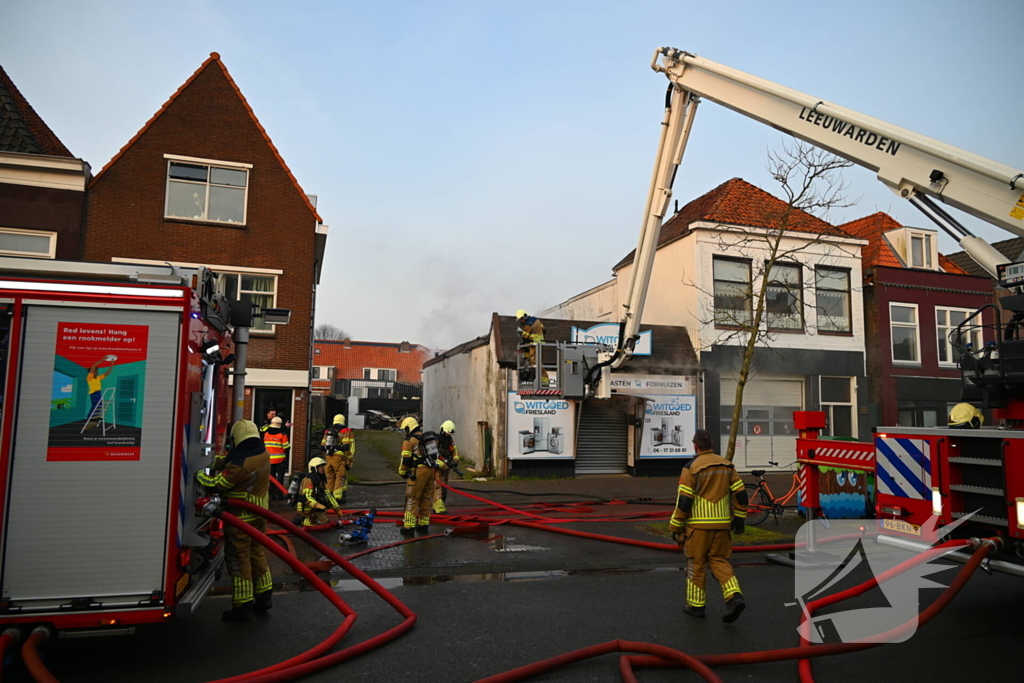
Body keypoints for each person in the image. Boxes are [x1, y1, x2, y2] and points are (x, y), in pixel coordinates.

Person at [196, 419, 272, 621]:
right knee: (256, 554)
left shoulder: (241, 464)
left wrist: (197, 474)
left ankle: (242, 605)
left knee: (239, 560)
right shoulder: (261, 453)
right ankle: (264, 596)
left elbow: (218, 483)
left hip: (240, 519)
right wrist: (212, 460)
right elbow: (231, 460)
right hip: (259, 515)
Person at [668, 429, 748, 623]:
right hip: (722, 526)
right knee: (719, 561)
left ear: (695, 446)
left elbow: (685, 501)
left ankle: (696, 606)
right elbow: (742, 495)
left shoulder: (691, 467)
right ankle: (734, 597)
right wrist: (739, 518)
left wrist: (675, 526)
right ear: (711, 444)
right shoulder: (727, 466)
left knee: (696, 563)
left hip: (698, 527)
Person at [397, 417, 437, 535]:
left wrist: (403, 472)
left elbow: (406, 459)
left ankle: (409, 526)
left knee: (412, 497)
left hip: (417, 471)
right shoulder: (425, 438)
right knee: (425, 497)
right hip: (430, 470)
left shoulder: (409, 441)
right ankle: (423, 524)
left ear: (409, 427)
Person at [296, 456, 343, 527]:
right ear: (314, 468)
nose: (323, 469)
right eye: (320, 467)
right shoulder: (308, 480)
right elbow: (306, 497)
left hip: (315, 510)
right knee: (311, 526)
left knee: (326, 522)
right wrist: (317, 505)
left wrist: (338, 510)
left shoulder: (320, 480)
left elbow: (328, 495)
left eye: (323, 467)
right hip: (307, 510)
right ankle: (303, 522)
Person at [321, 414, 355, 502]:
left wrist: (326, 455)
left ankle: (328, 496)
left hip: (328, 457)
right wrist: (349, 458)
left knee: (330, 477)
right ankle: (337, 497)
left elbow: (322, 445)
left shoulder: (328, 431)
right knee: (340, 476)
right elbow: (348, 446)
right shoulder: (346, 431)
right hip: (339, 457)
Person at [433, 420, 460, 514]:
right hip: (438, 466)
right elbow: (431, 454)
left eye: (450, 433)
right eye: (447, 433)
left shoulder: (450, 440)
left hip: (447, 466)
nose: (448, 435)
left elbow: (454, 450)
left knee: (444, 486)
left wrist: (455, 459)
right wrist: (439, 463)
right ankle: (437, 507)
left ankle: (441, 504)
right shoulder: (436, 440)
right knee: (438, 486)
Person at [262, 416, 290, 500]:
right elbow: (286, 447)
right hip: (280, 460)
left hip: (269, 460)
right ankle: (279, 494)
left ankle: (271, 494)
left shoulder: (266, 434)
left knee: (271, 477)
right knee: (280, 477)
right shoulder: (282, 435)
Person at [85, 355, 116, 428]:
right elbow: (93, 366)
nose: (97, 371)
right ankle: (90, 417)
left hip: (98, 392)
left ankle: (95, 417)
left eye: (97, 370)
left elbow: (107, 373)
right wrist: (103, 359)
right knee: (96, 405)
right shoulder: (89, 378)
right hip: (94, 393)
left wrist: (112, 363)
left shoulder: (98, 378)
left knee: (99, 406)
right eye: (96, 370)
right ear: (92, 372)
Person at [516, 310, 545, 381]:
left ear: (524, 317)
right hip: (541, 344)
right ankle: (544, 381)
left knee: (534, 362)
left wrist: (522, 335)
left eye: (521, 319)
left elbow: (525, 337)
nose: (521, 321)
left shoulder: (528, 324)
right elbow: (544, 330)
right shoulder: (536, 320)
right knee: (540, 363)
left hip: (534, 345)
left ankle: (537, 380)